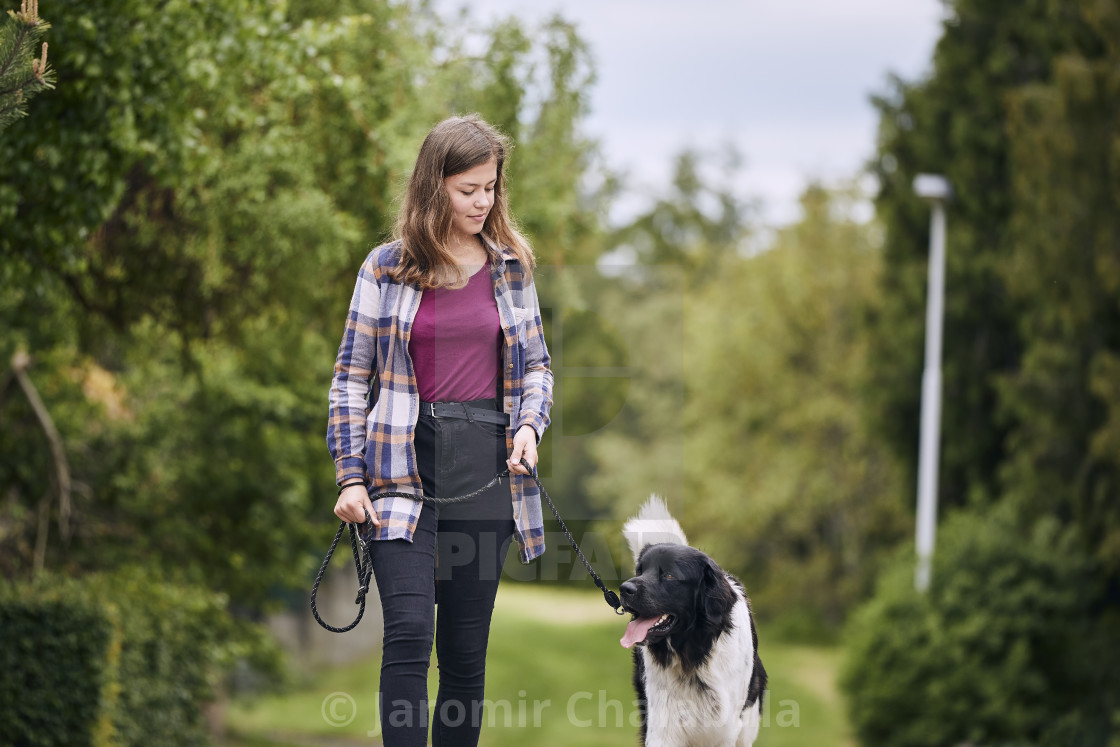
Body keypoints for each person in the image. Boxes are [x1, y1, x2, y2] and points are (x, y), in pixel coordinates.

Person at [327, 114, 554, 747]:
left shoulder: (512, 269)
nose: (483, 202)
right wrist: (350, 474)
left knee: (462, 653)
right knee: (406, 637)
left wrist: (530, 428)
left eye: (490, 187)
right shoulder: (386, 269)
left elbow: (537, 367)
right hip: (401, 470)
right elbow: (350, 379)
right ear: (434, 187)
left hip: (486, 474)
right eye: (467, 189)